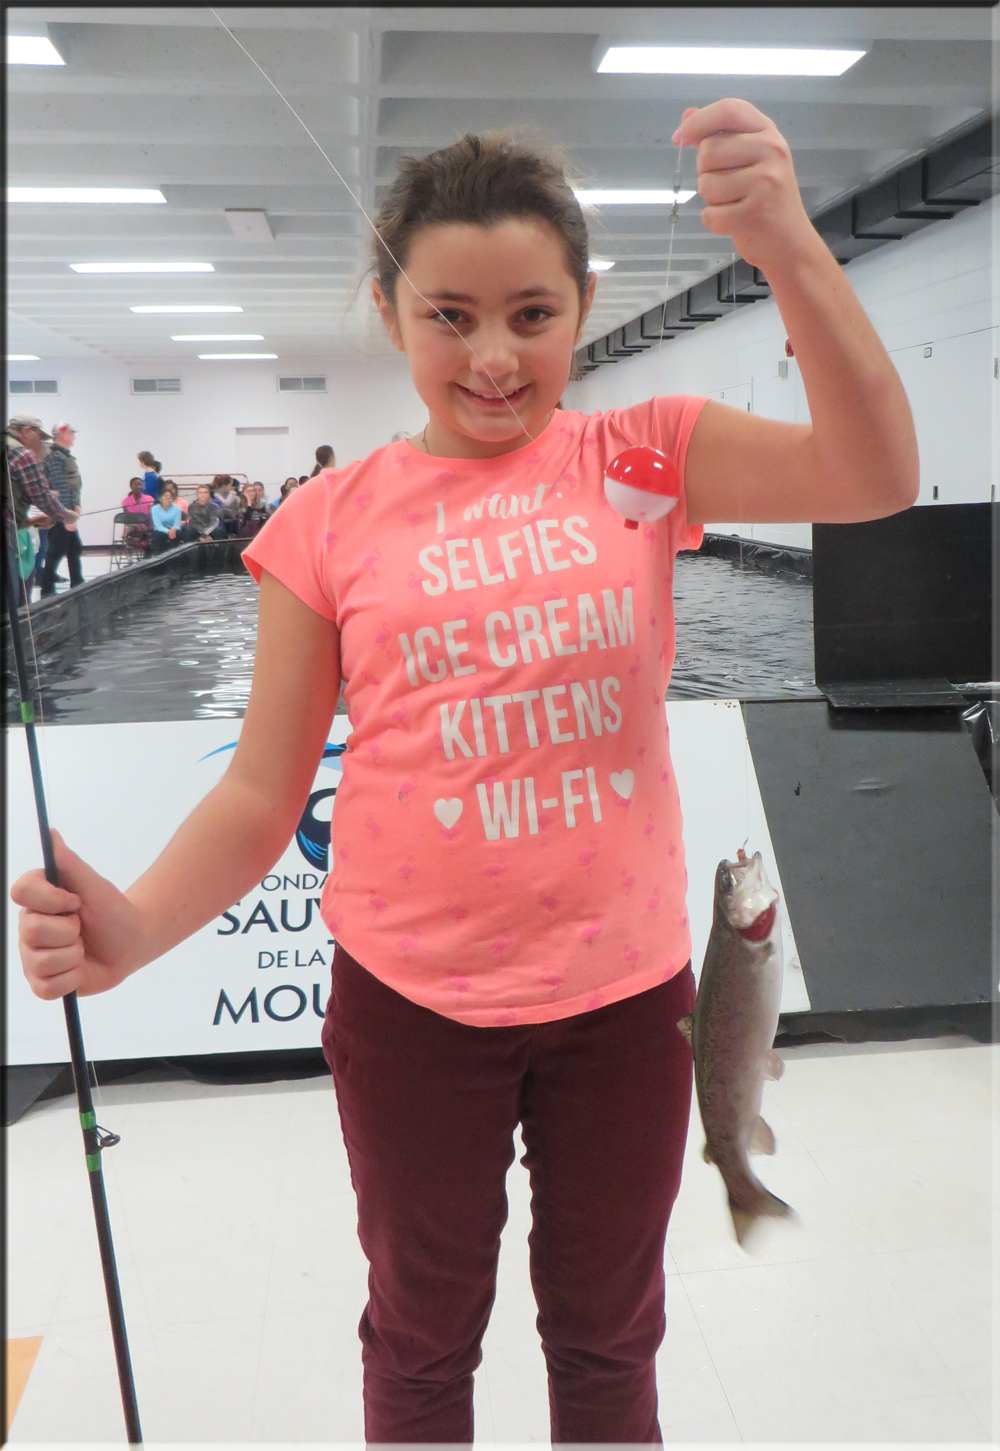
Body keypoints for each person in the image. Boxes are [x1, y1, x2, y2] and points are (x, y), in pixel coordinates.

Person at [13, 103, 918, 1445]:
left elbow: (875, 473)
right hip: (410, 1011)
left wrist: (787, 241)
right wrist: (133, 927)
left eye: (532, 315)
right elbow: (262, 792)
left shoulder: (639, 457)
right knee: (421, 1340)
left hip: (624, 1004)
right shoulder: (325, 520)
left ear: (583, 309)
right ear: (390, 312)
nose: (494, 356)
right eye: (450, 315)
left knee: (608, 1337)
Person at [3, 414, 74, 608]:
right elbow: (41, 496)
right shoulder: (21, 454)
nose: (41, 443)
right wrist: (66, 515)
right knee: (11, 604)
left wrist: (32, 521)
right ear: (26, 431)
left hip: (14, 526)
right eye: (40, 437)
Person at [40, 423, 84, 596]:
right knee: (56, 551)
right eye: (72, 433)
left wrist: (77, 503)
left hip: (68, 510)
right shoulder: (55, 458)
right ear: (64, 435)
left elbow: (73, 484)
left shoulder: (64, 456)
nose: (74, 437)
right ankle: (47, 588)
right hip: (62, 513)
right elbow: (59, 487)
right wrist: (66, 515)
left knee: (74, 548)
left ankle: (77, 583)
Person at [120, 478, 153, 555]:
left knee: (151, 531)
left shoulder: (150, 499)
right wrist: (136, 525)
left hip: (147, 526)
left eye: (140, 485)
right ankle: (130, 558)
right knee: (130, 531)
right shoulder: (126, 502)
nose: (138, 486)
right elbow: (127, 519)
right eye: (136, 485)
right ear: (131, 487)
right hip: (134, 528)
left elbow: (152, 516)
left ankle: (148, 555)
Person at [149, 488, 182, 554]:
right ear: (161, 499)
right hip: (161, 530)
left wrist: (173, 529)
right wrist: (168, 531)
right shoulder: (154, 509)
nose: (168, 499)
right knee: (158, 536)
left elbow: (177, 525)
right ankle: (160, 555)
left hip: (173, 530)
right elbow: (158, 525)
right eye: (166, 496)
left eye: (170, 497)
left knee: (177, 534)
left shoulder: (177, 509)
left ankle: (175, 555)